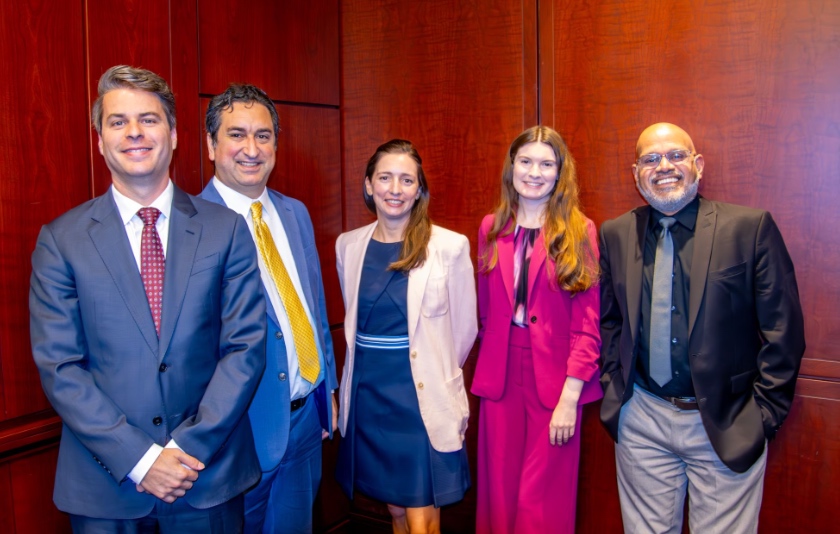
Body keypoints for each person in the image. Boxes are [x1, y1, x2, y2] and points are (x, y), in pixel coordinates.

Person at [29, 65, 266, 532]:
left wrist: (185, 451)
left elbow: (245, 348)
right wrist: (140, 459)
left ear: (174, 135)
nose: (135, 132)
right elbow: (60, 366)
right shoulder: (60, 241)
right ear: (100, 140)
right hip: (107, 487)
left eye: (149, 119)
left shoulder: (226, 230)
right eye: (118, 122)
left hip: (208, 477)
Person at [599, 122, 806, 533]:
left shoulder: (749, 228)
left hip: (725, 423)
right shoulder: (616, 233)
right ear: (636, 172)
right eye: (651, 159)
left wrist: (762, 416)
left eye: (676, 155)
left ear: (698, 165)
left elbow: (784, 332)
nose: (664, 166)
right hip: (642, 419)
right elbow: (611, 321)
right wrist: (615, 388)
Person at [199, 83, 338, 534]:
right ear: (211, 145)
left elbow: (314, 308)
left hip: (304, 426)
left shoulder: (294, 212)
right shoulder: (191, 228)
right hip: (238, 439)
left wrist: (327, 391)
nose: (251, 149)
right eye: (237, 135)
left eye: (263, 136)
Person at [335, 139, 476, 534]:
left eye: (406, 180)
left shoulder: (449, 246)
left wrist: (434, 365)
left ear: (419, 190)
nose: (394, 189)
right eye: (385, 178)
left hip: (419, 397)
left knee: (421, 513)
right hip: (367, 394)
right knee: (395, 507)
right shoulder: (348, 246)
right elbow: (354, 320)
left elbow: (464, 330)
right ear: (368, 185)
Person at [471, 125, 602, 534]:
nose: (534, 172)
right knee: (499, 495)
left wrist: (570, 399)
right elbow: (484, 311)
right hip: (500, 377)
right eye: (525, 161)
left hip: (555, 384)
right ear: (511, 167)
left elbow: (588, 325)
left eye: (547, 164)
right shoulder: (490, 227)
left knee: (541, 504)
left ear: (560, 172)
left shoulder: (580, 231)